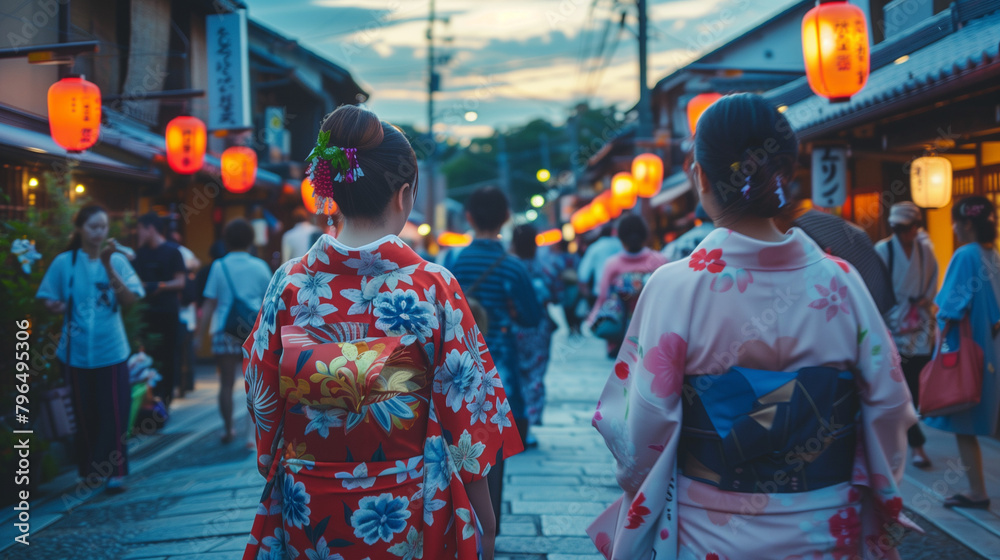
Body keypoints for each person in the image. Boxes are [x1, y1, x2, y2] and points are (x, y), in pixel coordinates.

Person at [587, 94, 917, 560]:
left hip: (713, 530)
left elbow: (640, 430)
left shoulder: (676, 287)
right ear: (785, 174)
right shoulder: (842, 283)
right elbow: (888, 405)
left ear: (699, 175)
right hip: (825, 524)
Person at [242, 106, 522, 560]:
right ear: (405, 195)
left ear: (333, 192)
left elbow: (263, 399)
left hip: (307, 500)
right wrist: (484, 518)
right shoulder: (432, 286)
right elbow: (467, 410)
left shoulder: (289, 284)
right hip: (406, 501)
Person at [447, 185, 542, 528]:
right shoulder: (513, 268)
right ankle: (490, 525)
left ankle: (458, 520)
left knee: (455, 441)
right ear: (506, 218)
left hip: (454, 366)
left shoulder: (450, 262)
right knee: (495, 444)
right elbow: (532, 317)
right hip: (498, 363)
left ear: (468, 218)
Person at [36, 205, 145, 493]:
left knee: (115, 411)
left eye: (103, 227)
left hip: (111, 349)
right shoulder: (65, 262)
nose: (99, 233)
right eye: (93, 227)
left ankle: (116, 472)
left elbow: (131, 299)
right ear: (80, 229)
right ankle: (87, 471)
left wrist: (109, 265)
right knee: (84, 414)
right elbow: (48, 296)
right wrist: (53, 305)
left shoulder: (118, 261)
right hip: (75, 352)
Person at [926, 196, 1000, 510]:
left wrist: (938, 337)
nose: (954, 227)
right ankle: (976, 489)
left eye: (955, 221)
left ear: (967, 222)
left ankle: (978, 491)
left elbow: (951, 306)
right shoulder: (991, 255)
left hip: (967, 353)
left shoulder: (966, 254)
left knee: (962, 419)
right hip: (990, 349)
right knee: (973, 422)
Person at [195, 218, 272, 445]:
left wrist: (199, 336)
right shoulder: (259, 266)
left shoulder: (219, 266)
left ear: (226, 240)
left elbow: (209, 303)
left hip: (224, 330)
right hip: (253, 331)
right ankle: (252, 436)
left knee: (226, 384)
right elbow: (270, 300)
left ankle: (228, 429)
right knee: (255, 382)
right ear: (250, 240)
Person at [874, 202, 938, 470]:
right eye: (898, 229)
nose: (903, 234)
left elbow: (933, 281)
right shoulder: (883, 250)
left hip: (920, 325)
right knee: (903, 389)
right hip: (892, 325)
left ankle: (905, 440)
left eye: (907, 229)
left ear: (916, 227)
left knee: (916, 387)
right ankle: (916, 445)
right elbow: (876, 288)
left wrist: (926, 301)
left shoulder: (926, 252)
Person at [587, 214, 668, 357]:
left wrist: (593, 318)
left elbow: (603, 297)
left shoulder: (612, 264)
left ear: (620, 237)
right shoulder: (660, 260)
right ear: (646, 236)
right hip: (653, 330)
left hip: (620, 332)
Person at [134, 212, 186, 410]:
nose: (137, 233)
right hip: (146, 313)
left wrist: (158, 285)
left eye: (139, 229)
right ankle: (149, 400)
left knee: (168, 355)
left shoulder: (173, 252)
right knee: (148, 356)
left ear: (150, 228)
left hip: (167, 312)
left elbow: (181, 282)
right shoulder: (140, 254)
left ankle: (165, 400)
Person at [511, 224, 558, 444]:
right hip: (539, 328)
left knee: (514, 374)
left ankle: (514, 423)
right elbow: (557, 294)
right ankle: (528, 425)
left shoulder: (510, 267)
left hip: (514, 327)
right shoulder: (544, 268)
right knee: (535, 376)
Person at [578, 222, 623, 306]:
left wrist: (587, 297)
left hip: (600, 292)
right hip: (622, 292)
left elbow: (583, 274)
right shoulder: (621, 244)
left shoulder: (595, 247)